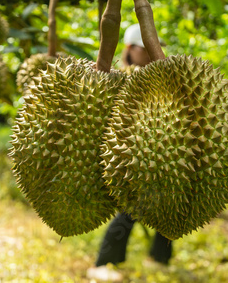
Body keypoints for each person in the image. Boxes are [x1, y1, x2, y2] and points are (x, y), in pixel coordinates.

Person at [87, 24, 172, 281]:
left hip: (161, 150)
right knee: (130, 211)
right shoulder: (122, 77)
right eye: (144, 49)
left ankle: (160, 257)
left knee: (168, 208)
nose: (149, 54)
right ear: (130, 49)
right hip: (130, 154)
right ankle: (104, 261)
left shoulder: (160, 77)